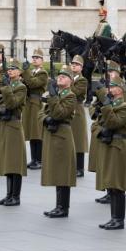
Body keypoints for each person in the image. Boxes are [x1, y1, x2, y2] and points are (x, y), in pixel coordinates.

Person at [96, 77, 126, 230]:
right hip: (109, 146)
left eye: (113, 86)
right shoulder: (111, 105)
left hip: (118, 147)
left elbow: (113, 123)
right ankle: (113, 218)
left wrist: (107, 107)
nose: (109, 88)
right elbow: (100, 122)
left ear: (120, 90)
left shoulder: (124, 107)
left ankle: (119, 219)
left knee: (118, 185)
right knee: (111, 184)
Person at [41, 65, 77, 218]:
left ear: (70, 81)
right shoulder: (55, 94)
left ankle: (64, 208)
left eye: (64, 76)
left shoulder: (70, 96)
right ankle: (58, 205)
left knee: (63, 172)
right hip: (52, 133)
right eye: (59, 75)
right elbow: (42, 112)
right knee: (57, 171)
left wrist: (54, 98)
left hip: (62, 135)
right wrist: (46, 119)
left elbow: (59, 113)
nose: (60, 77)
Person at [0, 58, 27, 206]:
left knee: (15, 163)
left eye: (14, 68)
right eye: (9, 69)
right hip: (5, 125)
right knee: (8, 161)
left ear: (19, 72)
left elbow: (13, 103)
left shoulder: (21, 87)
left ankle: (16, 196)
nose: (10, 71)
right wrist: (0, 110)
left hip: (14, 125)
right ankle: (8, 195)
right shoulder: (8, 86)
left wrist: (6, 89)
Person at [22, 48, 48, 170]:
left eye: (37, 58)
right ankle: (33, 159)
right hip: (29, 103)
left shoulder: (43, 73)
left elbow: (32, 84)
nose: (34, 59)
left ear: (42, 60)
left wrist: (26, 71)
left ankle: (40, 160)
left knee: (37, 132)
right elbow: (26, 82)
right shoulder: (32, 72)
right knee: (32, 132)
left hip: (36, 103)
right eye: (33, 57)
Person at [69, 55, 88, 177]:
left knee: (79, 139)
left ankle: (80, 168)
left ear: (81, 67)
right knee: (70, 138)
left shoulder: (82, 80)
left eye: (77, 64)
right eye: (73, 64)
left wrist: (67, 82)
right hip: (68, 108)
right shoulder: (69, 77)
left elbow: (75, 92)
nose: (74, 65)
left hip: (77, 109)